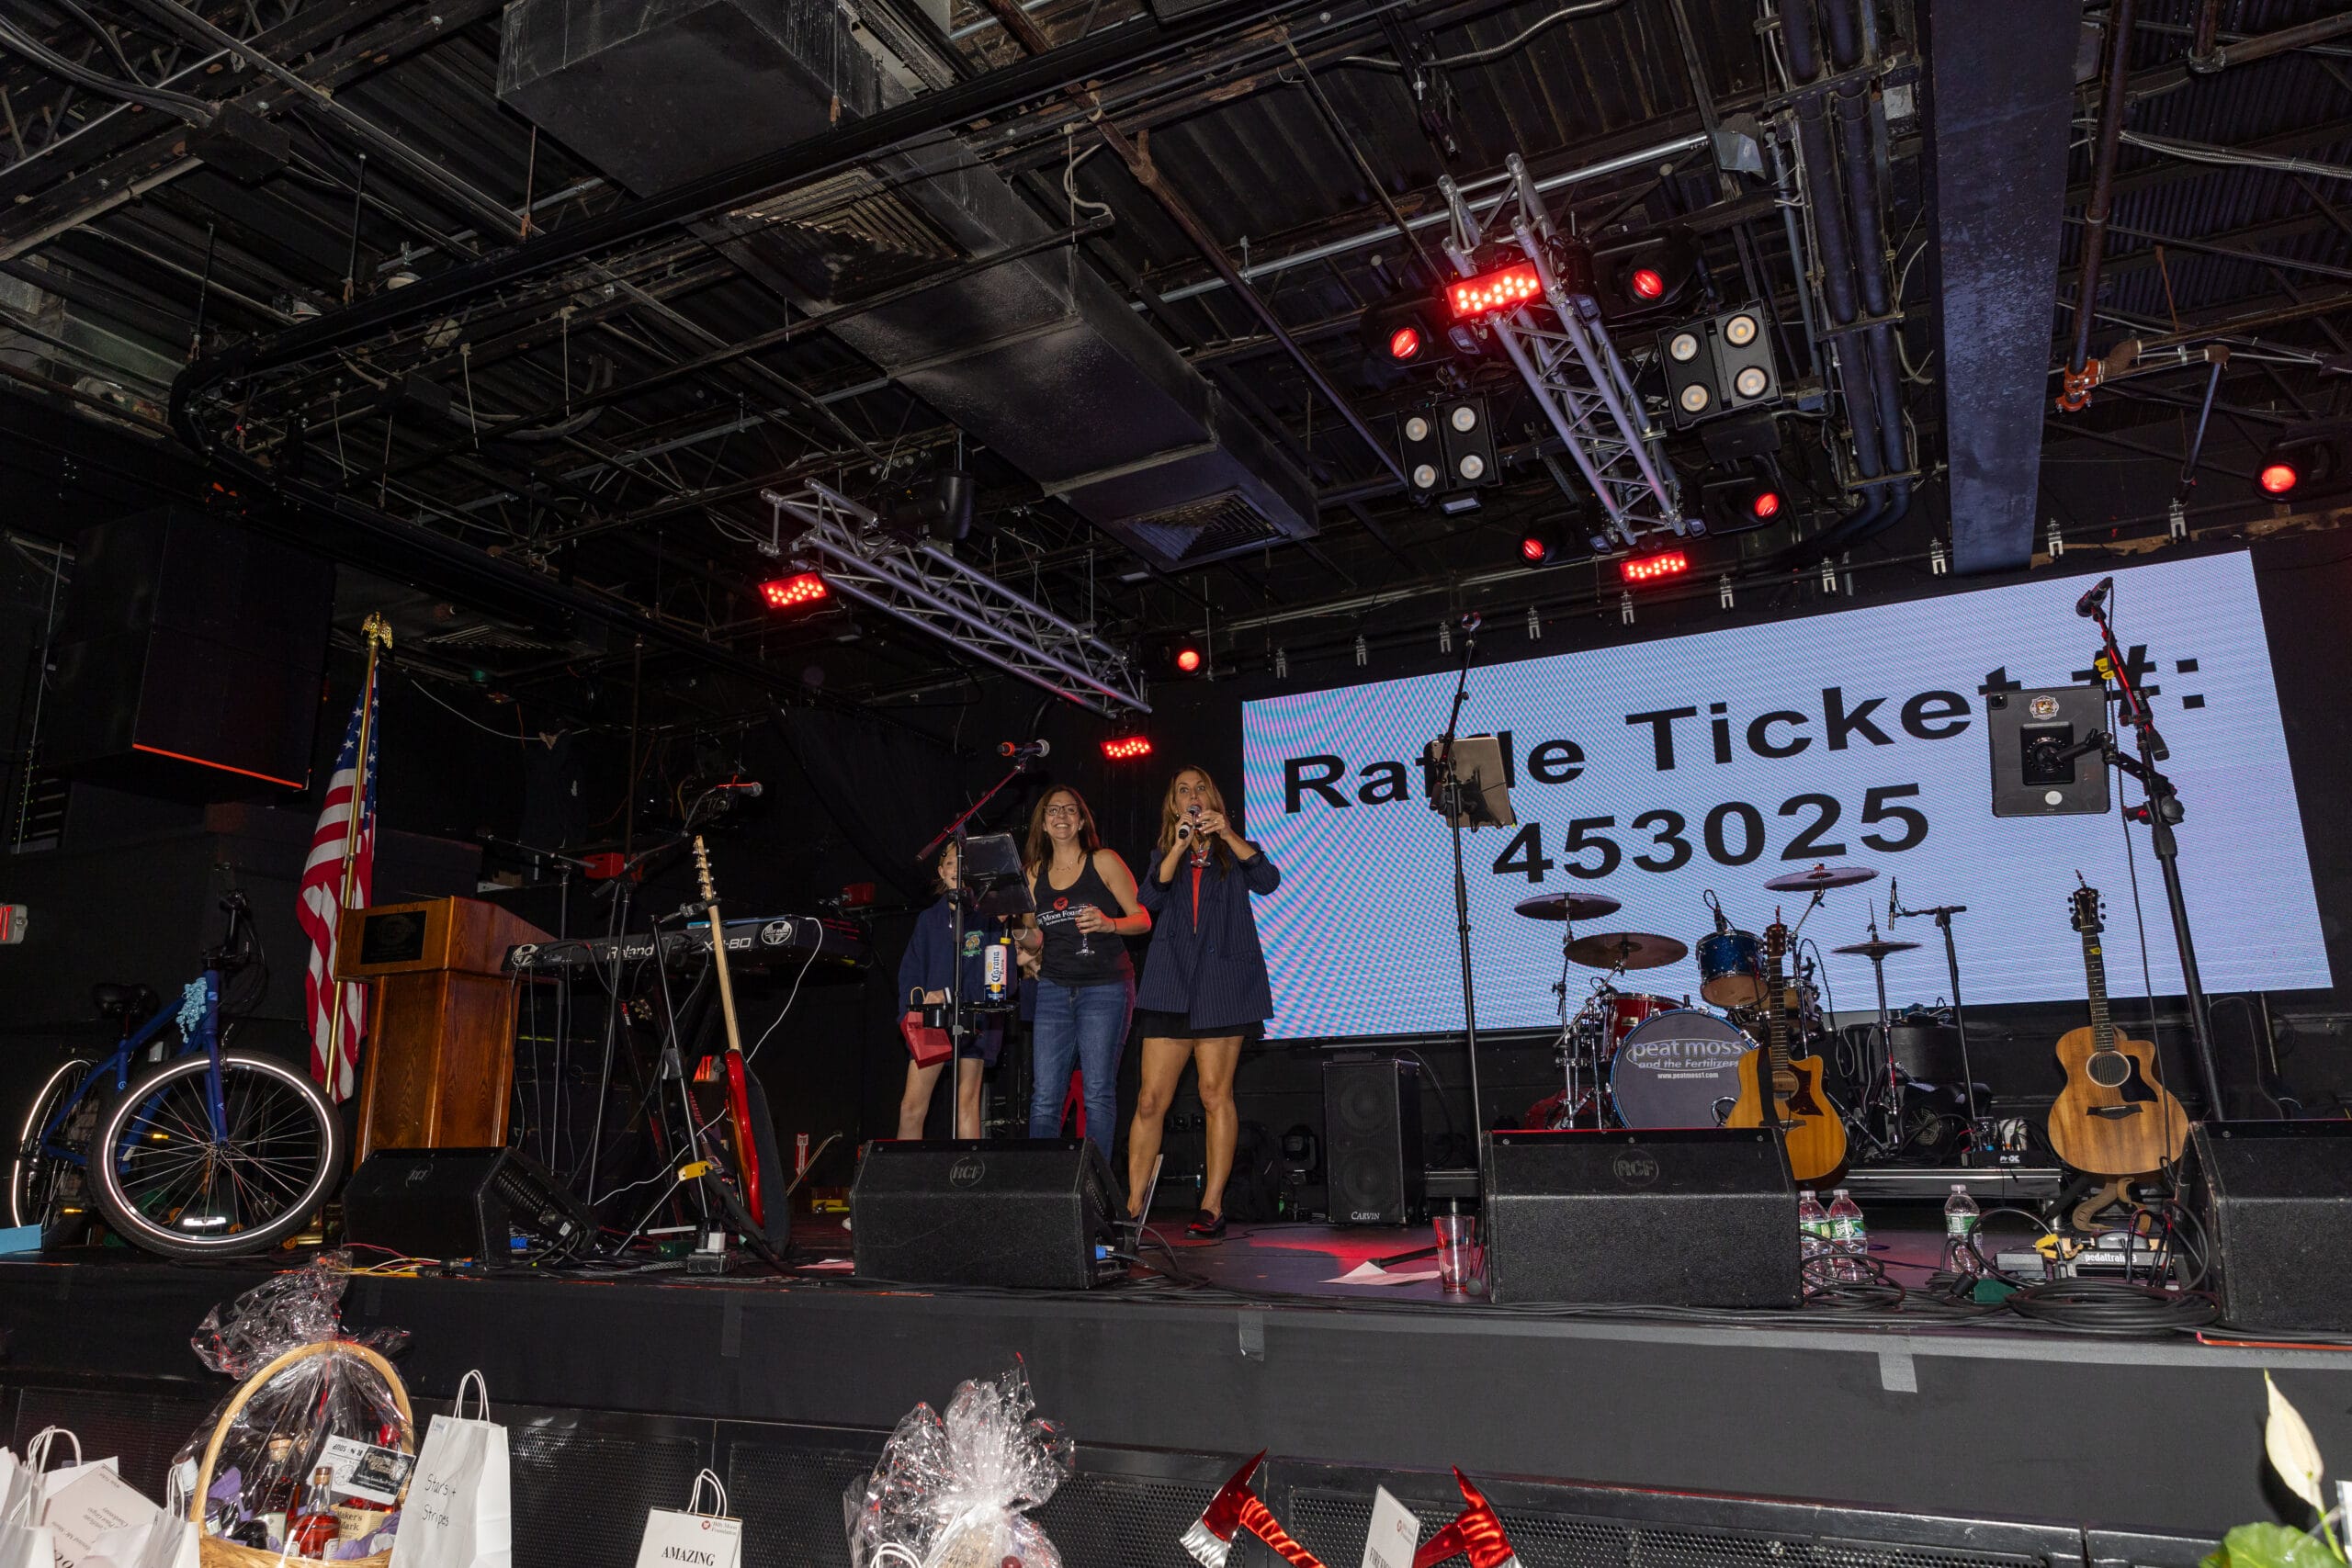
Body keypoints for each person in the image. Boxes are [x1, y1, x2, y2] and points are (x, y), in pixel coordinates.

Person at [1127, 767, 1280, 1237]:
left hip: (1223, 987)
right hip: (1171, 985)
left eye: (1199, 788)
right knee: (1150, 1100)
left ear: (1212, 797)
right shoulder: (1164, 852)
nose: (1191, 795)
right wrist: (1177, 847)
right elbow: (1149, 896)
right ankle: (1133, 1207)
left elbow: (1268, 880)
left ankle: (1212, 1205)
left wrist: (1228, 833)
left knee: (1215, 1094)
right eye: (1182, 790)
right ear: (1173, 805)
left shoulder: (1234, 850)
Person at [1015, 786, 1148, 1163]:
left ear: (1081, 820)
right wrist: (1012, 926)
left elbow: (1142, 918)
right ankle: (1044, 1183)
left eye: (1070, 810)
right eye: (1053, 810)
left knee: (1098, 1092)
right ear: (1043, 823)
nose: (1061, 816)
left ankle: (1093, 1183)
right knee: (1045, 1096)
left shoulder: (1103, 861)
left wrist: (1109, 924)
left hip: (1105, 988)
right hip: (1053, 988)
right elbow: (1034, 938)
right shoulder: (1033, 874)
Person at [894, 840, 1017, 1140]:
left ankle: (966, 1171)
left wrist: (957, 997)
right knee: (911, 1108)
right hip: (932, 1021)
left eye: (964, 864)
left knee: (966, 1106)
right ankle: (904, 1171)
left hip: (974, 1020)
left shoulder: (989, 918)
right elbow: (910, 973)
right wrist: (918, 1006)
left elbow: (1002, 979)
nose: (957, 870)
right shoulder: (928, 920)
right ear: (941, 871)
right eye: (951, 863)